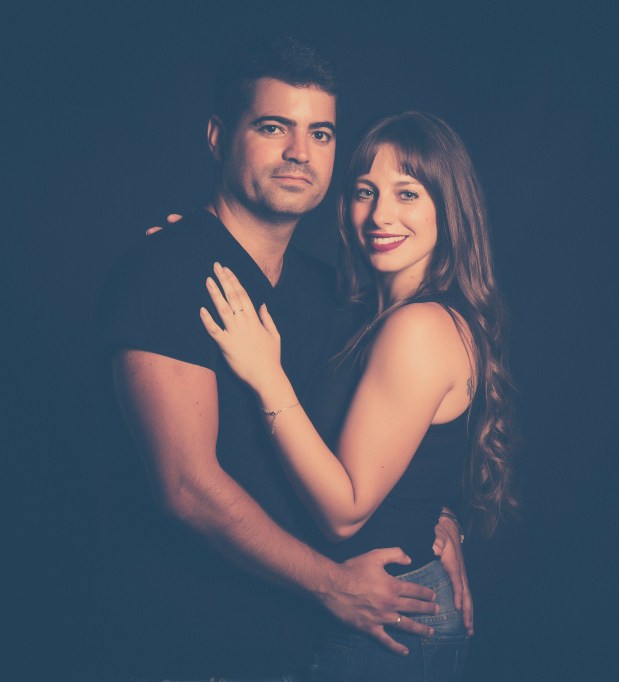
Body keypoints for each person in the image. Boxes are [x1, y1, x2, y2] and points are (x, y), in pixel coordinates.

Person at [99, 39, 469, 681]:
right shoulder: (165, 272)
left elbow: (378, 437)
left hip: (310, 644)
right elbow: (186, 488)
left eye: (320, 133)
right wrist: (333, 584)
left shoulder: (332, 293)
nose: (300, 152)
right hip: (200, 641)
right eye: (273, 128)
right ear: (219, 136)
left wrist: (437, 518)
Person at [200, 111, 519, 681]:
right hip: (364, 607)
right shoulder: (369, 313)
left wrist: (266, 376)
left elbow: (343, 514)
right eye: (365, 192)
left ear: (448, 208)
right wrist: (193, 248)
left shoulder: (419, 326)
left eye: (407, 193)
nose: (380, 215)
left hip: (388, 618)